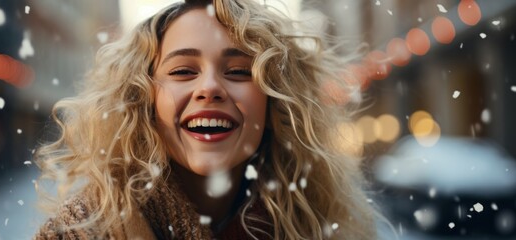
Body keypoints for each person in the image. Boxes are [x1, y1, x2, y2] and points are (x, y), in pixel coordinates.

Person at [34, 0, 378, 239]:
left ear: (276, 106)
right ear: (144, 102)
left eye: (240, 71)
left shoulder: (324, 229)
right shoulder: (76, 234)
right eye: (183, 71)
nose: (210, 87)